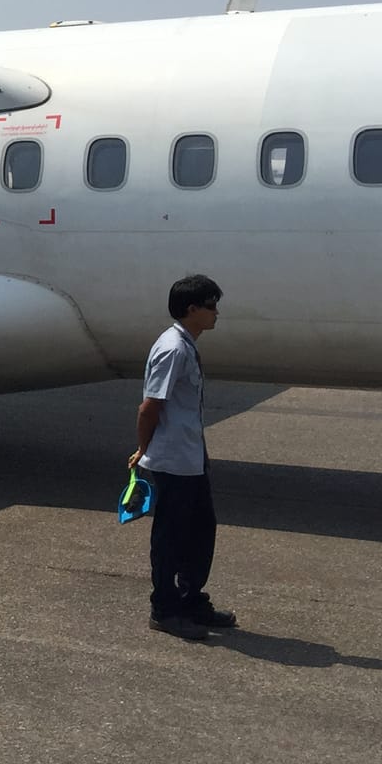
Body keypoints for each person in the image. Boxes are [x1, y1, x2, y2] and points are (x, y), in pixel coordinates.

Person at [130, 273, 234, 641]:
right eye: (211, 306)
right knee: (172, 538)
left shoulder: (185, 343)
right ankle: (165, 608)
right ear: (192, 309)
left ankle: (190, 599)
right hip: (172, 461)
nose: (216, 313)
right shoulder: (173, 348)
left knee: (201, 530)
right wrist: (144, 449)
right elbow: (150, 407)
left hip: (190, 457)